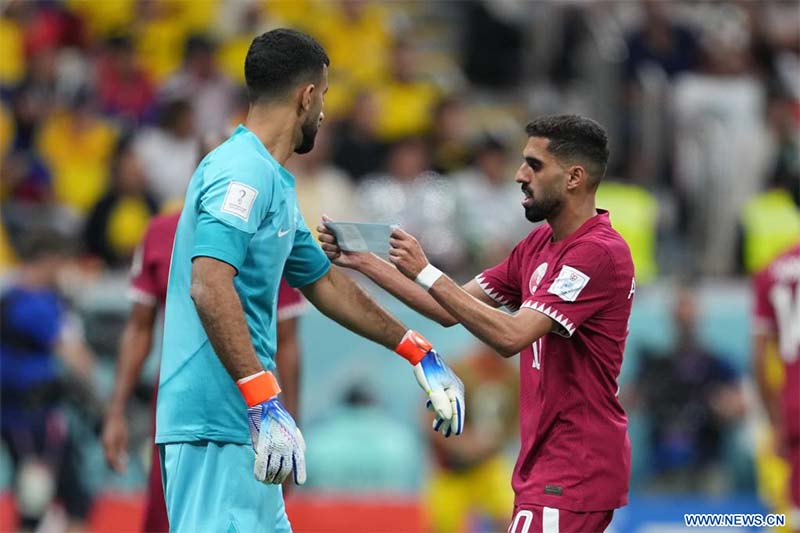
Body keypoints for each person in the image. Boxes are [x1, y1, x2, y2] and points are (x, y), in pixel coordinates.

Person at [156, 28, 464, 533]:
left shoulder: (270, 181)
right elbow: (209, 285)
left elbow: (324, 283)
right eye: (324, 97)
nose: (323, 113)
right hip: (217, 423)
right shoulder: (242, 174)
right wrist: (263, 399)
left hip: (246, 423)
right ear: (307, 96)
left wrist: (418, 351)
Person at [320, 115, 635, 532]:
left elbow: (512, 335)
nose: (520, 175)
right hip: (547, 465)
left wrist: (427, 271)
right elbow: (450, 309)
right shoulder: (538, 245)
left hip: (574, 466)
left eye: (534, 165)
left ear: (575, 177)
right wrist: (364, 262)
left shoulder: (598, 253)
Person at [101, 212, 307, 532]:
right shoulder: (161, 231)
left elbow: (289, 339)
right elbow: (139, 328)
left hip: (246, 412)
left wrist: (290, 423)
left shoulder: (269, 234)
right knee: (167, 516)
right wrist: (116, 411)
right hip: (177, 414)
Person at [0, 229, 96, 531]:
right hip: (36, 415)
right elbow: (76, 357)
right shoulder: (36, 304)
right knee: (70, 498)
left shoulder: (11, 298)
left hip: (15, 413)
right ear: (48, 261)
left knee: (35, 499)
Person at [632, 286, 744, 491]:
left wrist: (723, 406)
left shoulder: (716, 363)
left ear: (699, 317)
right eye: (680, 316)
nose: (685, 321)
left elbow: (740, 405)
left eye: (689, 315)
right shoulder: (657, 365)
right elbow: (629, 402)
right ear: (672, 319)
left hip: (707, 461)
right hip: (662, 464)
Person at [426, 343, 518, 533]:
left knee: (510, 518)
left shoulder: (512, 377)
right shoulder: (459, 369)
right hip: (451, 471)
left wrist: (492, 442)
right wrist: (460, 443)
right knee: (445, 526)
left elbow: (517, 421)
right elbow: (429, 419)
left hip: (488, 465)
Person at [753, 242, 800, 532]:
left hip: (792, 406)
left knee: (790, 513)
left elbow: (758, 356)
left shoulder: (771, 270)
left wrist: (775, 421)